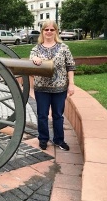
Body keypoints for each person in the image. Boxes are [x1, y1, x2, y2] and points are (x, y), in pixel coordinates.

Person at [29, 19, 76, 151]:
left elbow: (70, 66)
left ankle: (59, 140)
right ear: (42, 32)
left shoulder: (64, 48)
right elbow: (31, 62)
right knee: (42, 115)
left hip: (60, 87)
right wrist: (34, 59)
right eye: (46, 29)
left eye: (52, 29)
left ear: (56, 31)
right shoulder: (36, 49)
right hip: (41, 88)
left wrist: (71, 84)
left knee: (58, 115)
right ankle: (43, 139)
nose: (49, 32)